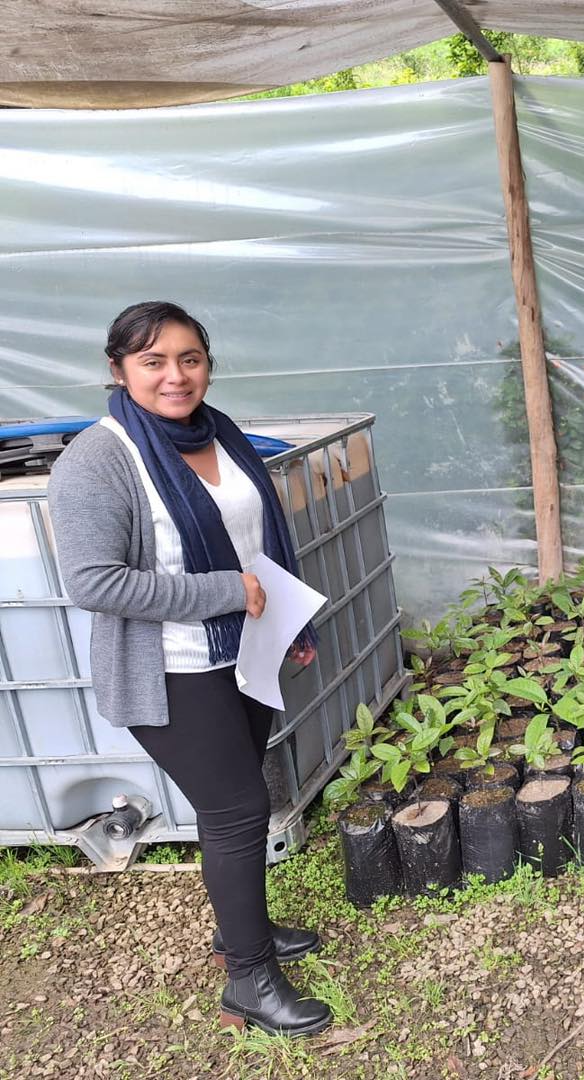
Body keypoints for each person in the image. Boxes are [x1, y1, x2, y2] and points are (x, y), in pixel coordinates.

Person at [48, 301, 332, 1035]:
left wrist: (285, 618)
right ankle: (249, 981)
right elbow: (94, 582)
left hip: (245, 651)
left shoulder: (220, 432)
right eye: (153, 361)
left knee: (231, 806)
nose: (175, 376)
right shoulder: (98, 460)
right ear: (118, 370)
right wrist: (225, 593)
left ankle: (245, 933)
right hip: (172, 668)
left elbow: (257, 541)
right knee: (238, 810)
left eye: (190, 358)